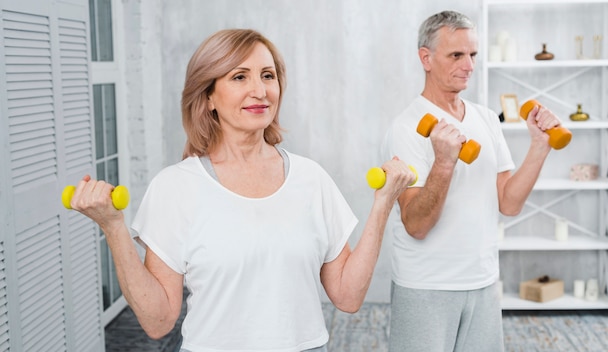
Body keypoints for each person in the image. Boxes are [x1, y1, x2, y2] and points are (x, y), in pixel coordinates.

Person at [69, 29, 415, 351]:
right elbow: (159, 321)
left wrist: (384, 203)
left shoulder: (311, 179)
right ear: (208, 98)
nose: (260, 90)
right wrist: (113, 227)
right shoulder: (175, 187)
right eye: (239, 77)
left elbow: (348, 297)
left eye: (268, 75)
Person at [382, 11, 563, 351]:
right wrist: (444, 162)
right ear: (426, 58)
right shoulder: (406, 129)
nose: (469, 65)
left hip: (482, 282)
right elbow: (416, 225)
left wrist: (540, 146)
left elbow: (508, 203)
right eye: (456, 55)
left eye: (473, 55)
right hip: (426, 286)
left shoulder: (485, 119)